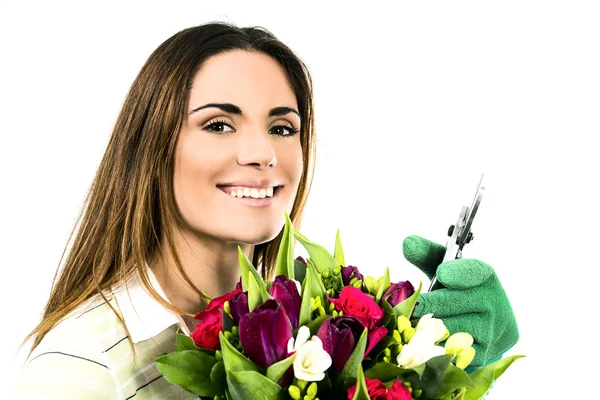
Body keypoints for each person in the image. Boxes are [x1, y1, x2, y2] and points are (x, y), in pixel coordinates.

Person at [12, 22, 518, 399]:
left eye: (281, 128)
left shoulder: (317, 330)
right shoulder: (75, 369)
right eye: (218, 125)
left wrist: (443, 370)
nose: (262, 153)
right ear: (152, 146)